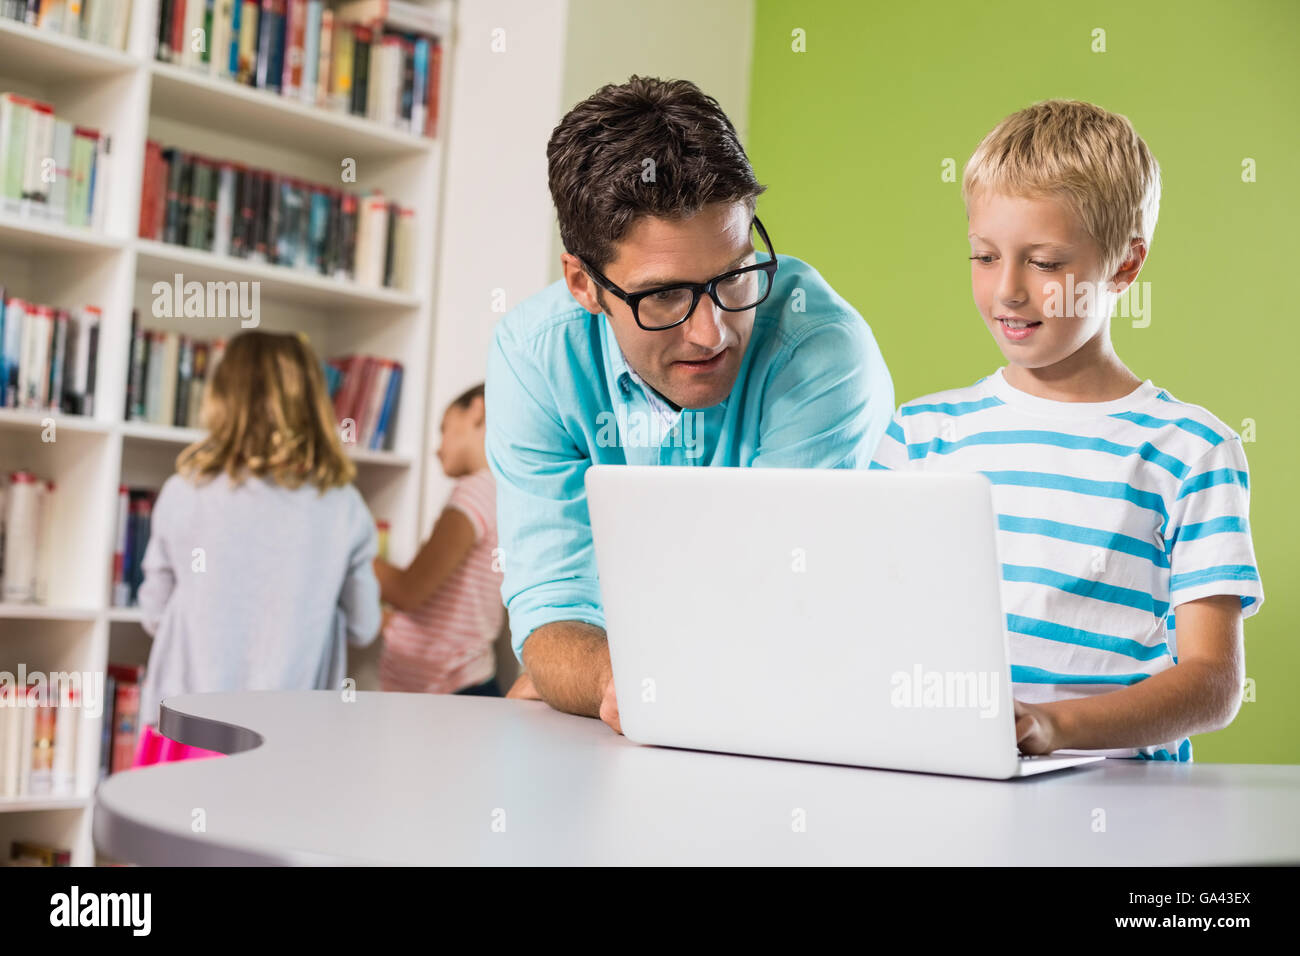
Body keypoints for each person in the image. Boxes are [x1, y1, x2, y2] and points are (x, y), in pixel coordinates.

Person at [486, 76, 894, 732]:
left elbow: (767, 602)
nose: (712, 333)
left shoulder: (822, 350)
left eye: (734, 275)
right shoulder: (534, 357)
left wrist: (586, 677)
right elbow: (554, 608)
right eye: (666, 296)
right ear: (583, 284)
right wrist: (603, 677)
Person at [871, 100, 1263, 760]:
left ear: (1126, 267)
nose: (1007, 292)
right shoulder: (919, 434)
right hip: (952, 780)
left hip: (1123, 806)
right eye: (984, 256)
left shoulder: (1191, 450)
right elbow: (868, 621)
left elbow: (1213, 684)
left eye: (1046, 262)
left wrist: (1052, 728)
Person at [134, 331, 380, 765]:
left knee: (177, 828)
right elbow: (363, 626)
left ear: (222, 399)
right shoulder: (343, 506)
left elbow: (153, 614)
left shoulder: (184, 493)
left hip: (188, 734)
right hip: (291, 742)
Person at [373, 384, 505, 696]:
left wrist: (348, 549)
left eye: (443, 429)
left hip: (452, 692)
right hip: (454, 690)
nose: (437, 448)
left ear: (477, 411)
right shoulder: (498, 492)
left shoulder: (475, 491)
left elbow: (409, 591)